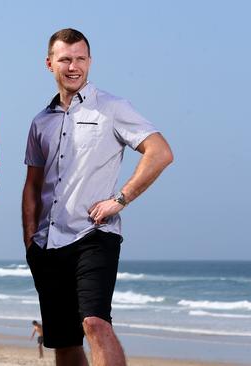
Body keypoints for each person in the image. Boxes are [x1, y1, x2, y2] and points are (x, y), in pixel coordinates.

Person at [22, 28, 173, 366]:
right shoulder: (40, 122)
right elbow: (32, 186)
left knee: (95, 323)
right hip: (47, 245)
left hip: (94, 235)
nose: (73, 66)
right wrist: (30, 242)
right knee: (64, 340)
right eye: (65, 59)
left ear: (89, 62)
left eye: (80, 59)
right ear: (49, 64)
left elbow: (160, 152)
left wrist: (120, 199)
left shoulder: (113, 108)